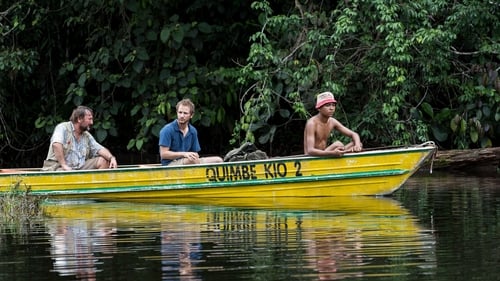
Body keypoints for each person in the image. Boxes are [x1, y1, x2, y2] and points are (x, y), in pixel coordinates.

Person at [42, 105, 118, 171]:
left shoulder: (86, 135)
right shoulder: (62, 128)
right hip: (58, 167)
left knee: (104, 160)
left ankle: (95, 187)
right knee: (65, 172)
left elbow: (99, 149)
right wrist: (64, 166)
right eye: (89, 119)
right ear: (79, 119)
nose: (92, 123)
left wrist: (112, 158)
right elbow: (56, 144)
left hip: (78, 168)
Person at [159, 98, 223, 166]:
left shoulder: (193, 131)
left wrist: (194, 155)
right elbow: (163, 154)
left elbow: (194, 152)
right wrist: (184, 154)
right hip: (170, 164)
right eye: (180, 112)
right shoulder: (167, 130)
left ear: (191, 115)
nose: (182, 116)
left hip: (189, 161)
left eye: (185, 113)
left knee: (218, 160)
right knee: (192, 160)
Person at [304, 92, 363, 157]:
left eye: (333, 105)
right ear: (319, 108)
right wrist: (333, 153)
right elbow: (310, 150)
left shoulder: (332, 121)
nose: (331, 108)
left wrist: (357, 146)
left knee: (358, 144)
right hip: (312, 157)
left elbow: (354, 134)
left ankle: (344, 153)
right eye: (327, 105)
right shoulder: (312, 123)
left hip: (325, 153)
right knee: (338, 144)